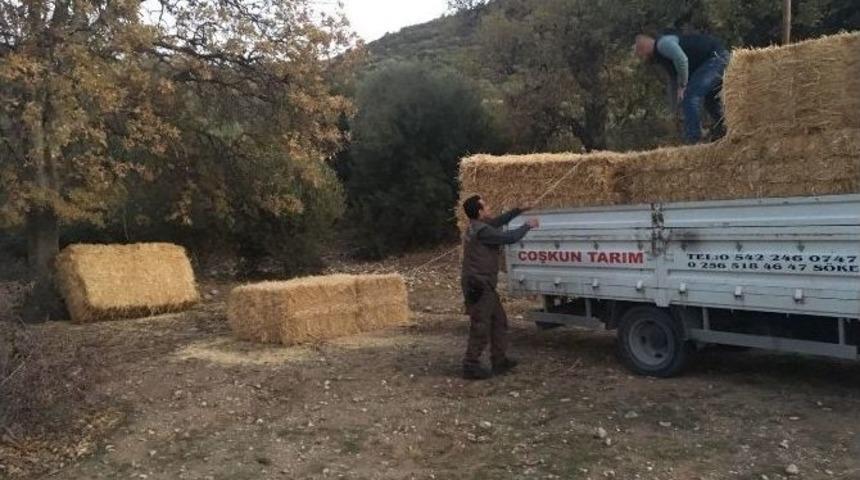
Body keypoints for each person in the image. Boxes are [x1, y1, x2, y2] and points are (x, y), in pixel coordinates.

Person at [460, 195, 539, 380]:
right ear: (479, 212)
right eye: (485, 206)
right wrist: (528, 225)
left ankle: (499, 360)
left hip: (484, 284)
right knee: (480, 325)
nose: (489, 208)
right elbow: (509, 237)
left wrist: (520, 209)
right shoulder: (482, 231)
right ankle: (470, 365)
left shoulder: (477, 226)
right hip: (479, 285)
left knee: (499, 320)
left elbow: (498, 221)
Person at [634, 32, 730, 143]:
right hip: (712, 61)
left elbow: (681, 59)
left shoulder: (662, 44)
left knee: (690, 96)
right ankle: (726, 129)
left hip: (716, 58)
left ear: (644, 47)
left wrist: (683, 85)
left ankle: (694, 138)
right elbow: (673, 83)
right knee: (710, 101)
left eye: (641, 56)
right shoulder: (662, 57)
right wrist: (673, 111)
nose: (644, 59)